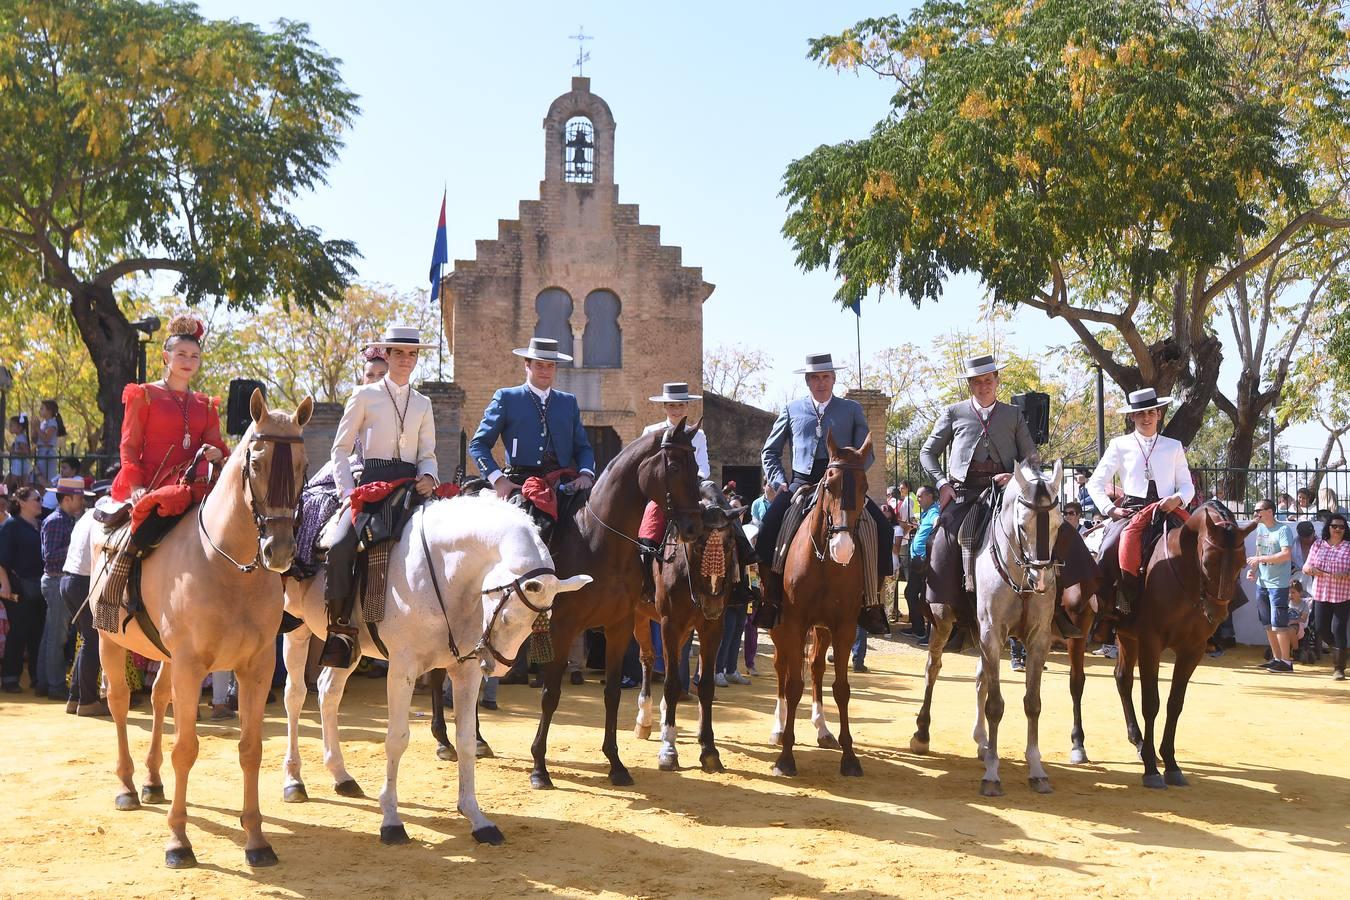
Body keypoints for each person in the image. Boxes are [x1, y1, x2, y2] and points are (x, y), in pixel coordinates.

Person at [919, 354, 1093, 639]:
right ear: (970, 385)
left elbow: (1031, 457)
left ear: (997, 381)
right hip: (966, 493)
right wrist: (941, 483)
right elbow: (928, 452)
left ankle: (1058, 609)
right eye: (977, 381)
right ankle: (943, 608)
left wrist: (1015, 477)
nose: (984, 386)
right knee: (942, 538)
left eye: (988, 380)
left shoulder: (1013, 414)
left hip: (1006, 494)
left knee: (1054, 530)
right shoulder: (954, 412)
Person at [322, 326, 440, 668]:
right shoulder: (364, 396)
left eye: (412, 354)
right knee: (341, 543)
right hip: (369, 486)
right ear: (386, 355)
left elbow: (428, 452)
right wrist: (347, 493)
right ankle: (341, 629)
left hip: (410, 488)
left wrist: (429, 475)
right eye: (399, 353)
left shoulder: (424, 403)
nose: (406, 360)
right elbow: (340, 451)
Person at [756, 352, 894, 631]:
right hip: (801, 482)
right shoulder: (792, 409)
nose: (821, 382)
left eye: (826, 377)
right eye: (815, 378)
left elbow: (867, 453)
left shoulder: (851, 409)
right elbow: (769, 451)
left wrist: (853, 474)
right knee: (768, 528)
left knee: (883, 528)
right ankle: (769, 599)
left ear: (833, 379)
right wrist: (778, 480)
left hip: (842, 485)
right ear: (808, 381)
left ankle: (872, 602)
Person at [1086, 388, 1195, 623]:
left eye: (1151, 412)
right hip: (1131, 512)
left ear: (1159, 415)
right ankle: (1109, 612)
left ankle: (1207, 609)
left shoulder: (1173, 446)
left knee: (1204, 545)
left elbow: (1187, 486)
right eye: (1140, 414)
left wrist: (1176, 499)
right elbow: (1095, 482)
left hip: (1167, 510)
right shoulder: (1119, 445)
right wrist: (1110, 509)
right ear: (1132, 417)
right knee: (1109, 548)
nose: (1146, 418)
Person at [110, 315, 228, 503]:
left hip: (194, 478)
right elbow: (129, 445)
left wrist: (218, 453)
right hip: (154, 481)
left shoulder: (205, 403)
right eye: (181, 354)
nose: (188, 361)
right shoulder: (144, 394)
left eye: (194, 356)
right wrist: (136, 486)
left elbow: (216, 443)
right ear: (166, 356)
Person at [38, 476, 89, 701]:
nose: (82, 502)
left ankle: (45, 682)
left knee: (51, 636)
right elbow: (49, 557)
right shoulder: (57, 521)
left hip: (58, 581)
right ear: (67, 499)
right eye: (79, 498)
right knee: (56, 638)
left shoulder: (64, 520)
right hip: (56, 580)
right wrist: (75, 546)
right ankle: (55, 685)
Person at [62, 479, 108, 716]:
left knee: (88, 639)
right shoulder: (100, 518)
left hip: (69, 581)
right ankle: (88, 701)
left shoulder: (86, 516)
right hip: (83, 582)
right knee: (95, 640)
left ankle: (76, 698)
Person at [0, 486, 46, 693]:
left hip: (39, 587)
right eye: (36, 499)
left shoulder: (40, 524)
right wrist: (5, 584)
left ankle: (37, 677)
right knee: (18, 631)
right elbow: (2, 560)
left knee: (38, 632)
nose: (40, 502)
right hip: (18, 586)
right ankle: (10, 678)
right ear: (21, 502)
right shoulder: (11, 526)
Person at [1247, 500, 1296, 673]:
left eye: (1258, 510)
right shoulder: (1260, 529)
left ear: (1269, 511)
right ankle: (1277, 659)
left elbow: (1286, 554)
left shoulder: (1283, 530)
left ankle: (1286, 662)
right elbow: (1259, 553)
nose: (1255, 513)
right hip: (1263, 583)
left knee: (1279, 623)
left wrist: (1259, 560)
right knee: (1267, 623)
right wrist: (1253, 570)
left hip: (1278, 585)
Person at [1303, 512, 1350, 680]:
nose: (1338, 529)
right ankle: (1340, 650)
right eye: (1334, 526)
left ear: (1345, 530)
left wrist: (1346, 574)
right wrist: (1312, 570)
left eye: (1341, 527)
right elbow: (1306, 567)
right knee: (1321, 628)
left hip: (1342, 596)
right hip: (1321, 594)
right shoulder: (1318, 545)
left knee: (1339, 629)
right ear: (1328, 527)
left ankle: (1339, 669)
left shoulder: (1348, 547)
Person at [903, 485, 940, 645]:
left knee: (927, 598)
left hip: (926, 563)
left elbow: (937, 522)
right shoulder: (926, 513)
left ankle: (930, 635)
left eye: (920, 496)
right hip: (917, 563)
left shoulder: (934, 511)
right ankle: (918, 628)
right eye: (917, 496)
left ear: (931, 496)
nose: (917, 499)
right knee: (910, 593)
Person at [34, 400, 63, 486]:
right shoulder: (43, 423)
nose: (40, 410)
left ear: (49, 411)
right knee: (38, 479)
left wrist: (37, 428)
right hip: (40, 452)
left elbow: (46, 438)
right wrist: (34, 428)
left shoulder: (52, 422)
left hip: (47, 453)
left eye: (42, 408)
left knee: (47, 478)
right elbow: (35, 439)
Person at [7, 415, 32, 481]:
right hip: (18, 465)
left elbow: (25, 451)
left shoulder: (21, 437)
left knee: (8, 484)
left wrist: (12, 451)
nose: (10, 427)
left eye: (12, 425)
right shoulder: (19, 437)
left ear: (20, 427)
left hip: (19, 466)